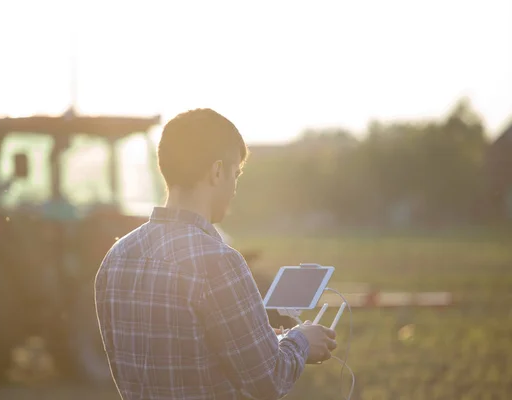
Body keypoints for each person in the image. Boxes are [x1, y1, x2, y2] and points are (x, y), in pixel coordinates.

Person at [94, 108, 337, 400]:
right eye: (236, 173)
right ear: (217, 171)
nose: (235, 187)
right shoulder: (219, 261)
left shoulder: (116, 257)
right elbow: (270, 380)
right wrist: (302, 340)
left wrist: (265, 340)